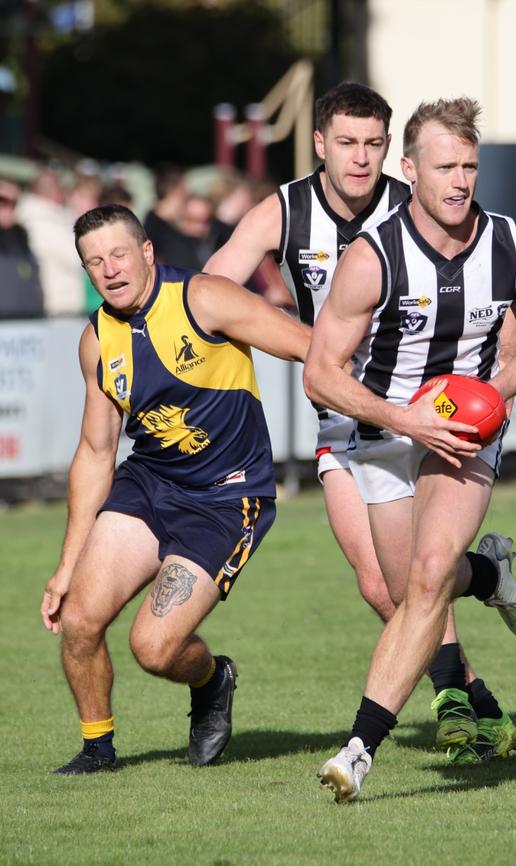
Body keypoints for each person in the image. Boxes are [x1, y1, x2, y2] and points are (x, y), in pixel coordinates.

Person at [204, 82, 516, 768]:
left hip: (426, 414)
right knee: (385, 584)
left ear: (394, 153)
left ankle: (459, 705)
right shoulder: (285, 210)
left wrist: (497, 379)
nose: (360, 159)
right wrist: (299, 341)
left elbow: (500, 288)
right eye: (346, 144)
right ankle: (479, 637)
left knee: (414, 578)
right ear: (319, 144)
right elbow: (213, 290)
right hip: (343, 412)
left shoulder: (417, 202)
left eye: (373, 145)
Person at [304, 96, 516, 802]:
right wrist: (404, 418)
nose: (459, 181)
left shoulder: (513, 249)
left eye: (470, 167)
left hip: (462, 440)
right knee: (404, 593)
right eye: (444, 166)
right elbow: (320, 373)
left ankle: (360, 749)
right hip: (386, 432)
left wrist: (492, 392)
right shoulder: (373, 258)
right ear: (409, 168)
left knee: (425, 577)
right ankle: (490, 575)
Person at [39, 204, 310, 775]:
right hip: (150, 484)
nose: (109, 270)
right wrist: (66, 567)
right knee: (81, 619)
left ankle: (213, 679)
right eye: (95, 262)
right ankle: (98, 749)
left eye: (118, 254)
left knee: (154, 649)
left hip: (226, 498)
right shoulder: (96, 340)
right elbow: (94, 453)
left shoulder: (203, 298)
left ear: (146, 252)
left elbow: (304, 345)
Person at [16, 165, 85, 316]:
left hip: (63, 306)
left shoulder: (52, 218)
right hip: (57, 307)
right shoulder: (39, 222)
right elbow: (79, 256)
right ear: (55, 192)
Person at [0, 177, 44, 318]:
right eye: (3, 200)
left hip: (26, 328)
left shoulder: (23, 240)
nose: (9, 208)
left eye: (15, 203)